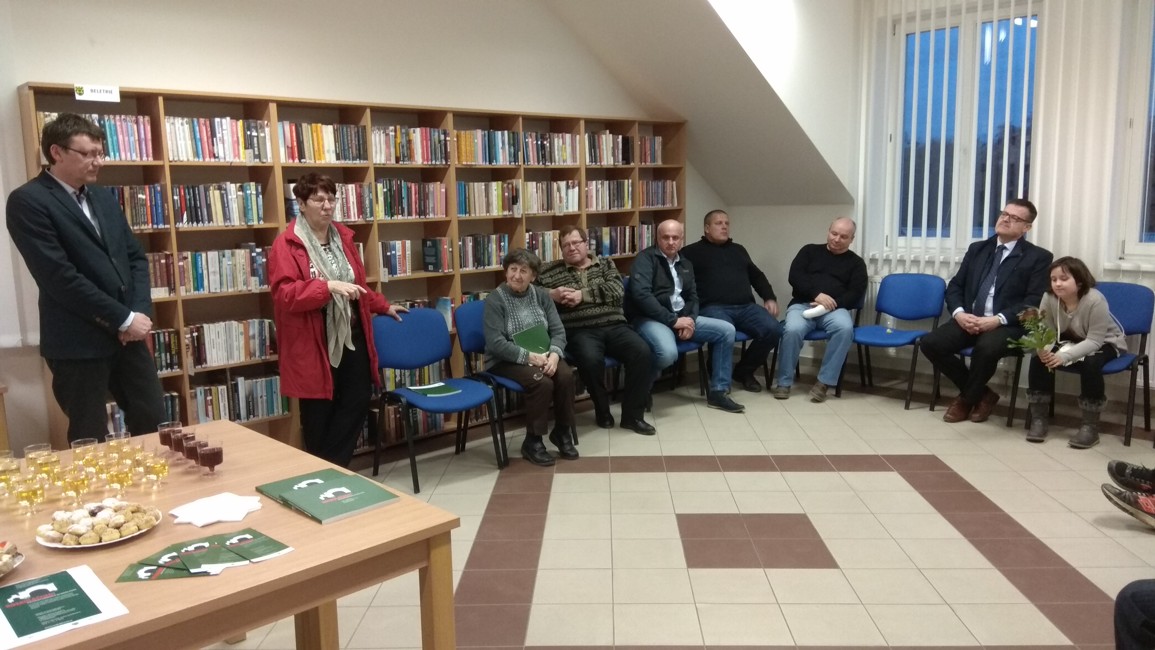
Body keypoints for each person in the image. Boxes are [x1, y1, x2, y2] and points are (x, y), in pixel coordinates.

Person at [6, 113, 165, 443]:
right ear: (57, 152)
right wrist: (122, 319)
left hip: (129, 337)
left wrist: (138, 313)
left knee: (152, 417)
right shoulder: (28, 201)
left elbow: (134, 257)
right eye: (88, 154)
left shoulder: (102, 196)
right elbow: (60, 277)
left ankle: (154, 478)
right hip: (78, 340)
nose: (98, 162)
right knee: (89, 436)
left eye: (100, 153)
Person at [270, 173, 405, 467]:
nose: (327, 206)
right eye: (319, 199)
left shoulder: (343, 237)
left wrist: (382, 305)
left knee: (358, 398)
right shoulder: (287, 244)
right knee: (318, 410)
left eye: (331, 199)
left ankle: (331, 466)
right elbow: (284, 294)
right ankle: (325, 470)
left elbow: (357, 285)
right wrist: (326, 287)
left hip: (350, 334)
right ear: (301, 204)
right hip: (312, 340)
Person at [921, 199, 1053, 423]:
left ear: (1027, 227)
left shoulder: (1039, 257)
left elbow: (1033, 301)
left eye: (1014, 218)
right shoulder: (978, 249)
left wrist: (997, 320)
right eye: (1004, 214)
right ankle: (983, 394)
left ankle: (966, 400)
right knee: (930, 343)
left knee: (986, 347)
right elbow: (956, 286)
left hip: (1007, 324)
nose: (1005, 219)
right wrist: (959, 314)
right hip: (970, 318)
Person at [537, 226, 655, 435]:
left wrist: (582, 295)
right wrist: (551, 294)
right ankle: (602, 410)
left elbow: (616, 290)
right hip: (579, 330)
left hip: (615, 325)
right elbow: (527, 290)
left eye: (576, 243)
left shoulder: (605, 264)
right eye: (566, 245)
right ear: (561, 249)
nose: (572, 248)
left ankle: (632, 416)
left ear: (586, 244)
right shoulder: (548, 270)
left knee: (642, 352)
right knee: (590, 360)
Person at [625, 219, 744, 413]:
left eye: (675, 238)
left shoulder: (685, 263)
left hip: (681, 317)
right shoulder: (645, 259)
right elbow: (642, 296)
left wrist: (689, 321)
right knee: (668, 353)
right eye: (666, 237)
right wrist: (673, 321)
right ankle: (641, 388)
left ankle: (719, 392)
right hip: (650, 318)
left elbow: (693, 297)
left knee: (726, 330)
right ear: (657, 238)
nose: (671, 242)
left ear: (682, 239)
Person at [484, 248, 578, 466]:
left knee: (565, 375)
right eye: (513, 269)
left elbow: (558, 330)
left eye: (523, 271)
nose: (517, 275)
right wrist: (529, 357)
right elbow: (495, 343)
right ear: (506, 271)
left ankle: (562, 432)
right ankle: (533, 441)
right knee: (542, 382)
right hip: (504, 360)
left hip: (543, 354)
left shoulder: (541, 295)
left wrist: (554, 355)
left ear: (533, 276)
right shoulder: (494, 300)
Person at [1025, 257, 1126, 448]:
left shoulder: (1095, 299)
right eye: (1053, 279)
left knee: (1091, 363)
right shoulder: (1048, 297)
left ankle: (1090, 427)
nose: (1057, 283)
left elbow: (1095, 340)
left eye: (1064, 279)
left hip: (1105, 342)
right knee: (1039, 359)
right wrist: (1042, 349)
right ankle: (1039, 419)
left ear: (1079, 281)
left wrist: (1063, 357)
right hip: (1069, 340)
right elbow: (1045, 331)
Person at [681, 209, 782, 393]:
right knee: (723, 329)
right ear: (707, 228)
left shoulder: (739, 250)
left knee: (774, 329)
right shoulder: (691, 252)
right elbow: (681, 284)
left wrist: (769, 297)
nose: (724, 227)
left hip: (745, 307)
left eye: (727, 223)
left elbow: (756, 276)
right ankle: (718, 377)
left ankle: (744, 372)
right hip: (712, 307)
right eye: (719, 223)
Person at [774, 217, 867, 403]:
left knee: (845, 329)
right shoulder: (809, 251)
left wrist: (831, 303)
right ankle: (784, 382)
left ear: (852, 239)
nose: (837, 239)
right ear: (828, 231)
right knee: (792, 329)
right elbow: (795, 277)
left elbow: (856, 292)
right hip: (803, 304)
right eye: (834, 233)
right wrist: (816, 294)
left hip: (834, 309)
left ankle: (824, 382)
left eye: (843, 236)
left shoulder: (856, 263)